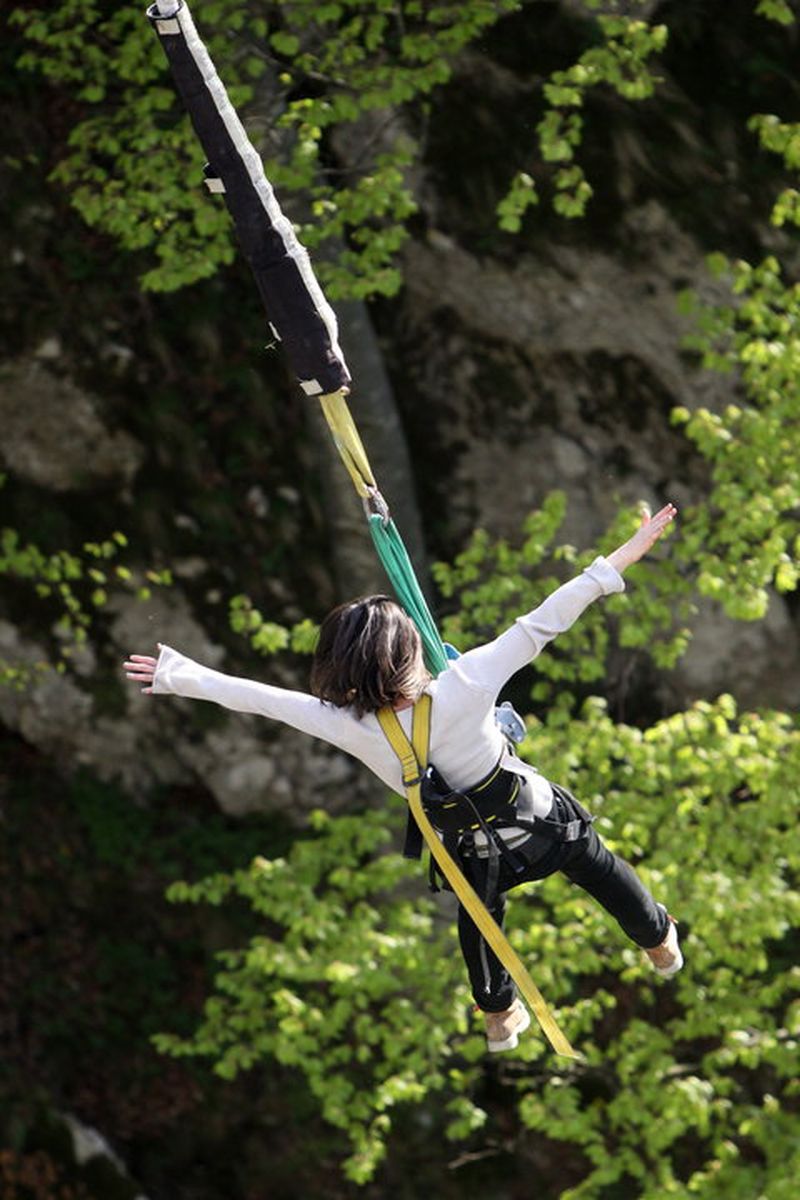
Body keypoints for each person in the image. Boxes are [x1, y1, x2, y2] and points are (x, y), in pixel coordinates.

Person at [124, 503, 682, 1052]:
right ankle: (658, 941)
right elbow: (549, 616)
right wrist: (625, 555)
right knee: (599, 865)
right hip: (543, 826)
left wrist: (178, 675)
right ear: (411, 652)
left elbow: (261, 699)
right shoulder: (467, 681)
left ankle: (498, 1015)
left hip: (474, 856)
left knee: (478, 918)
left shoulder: (347, 724)